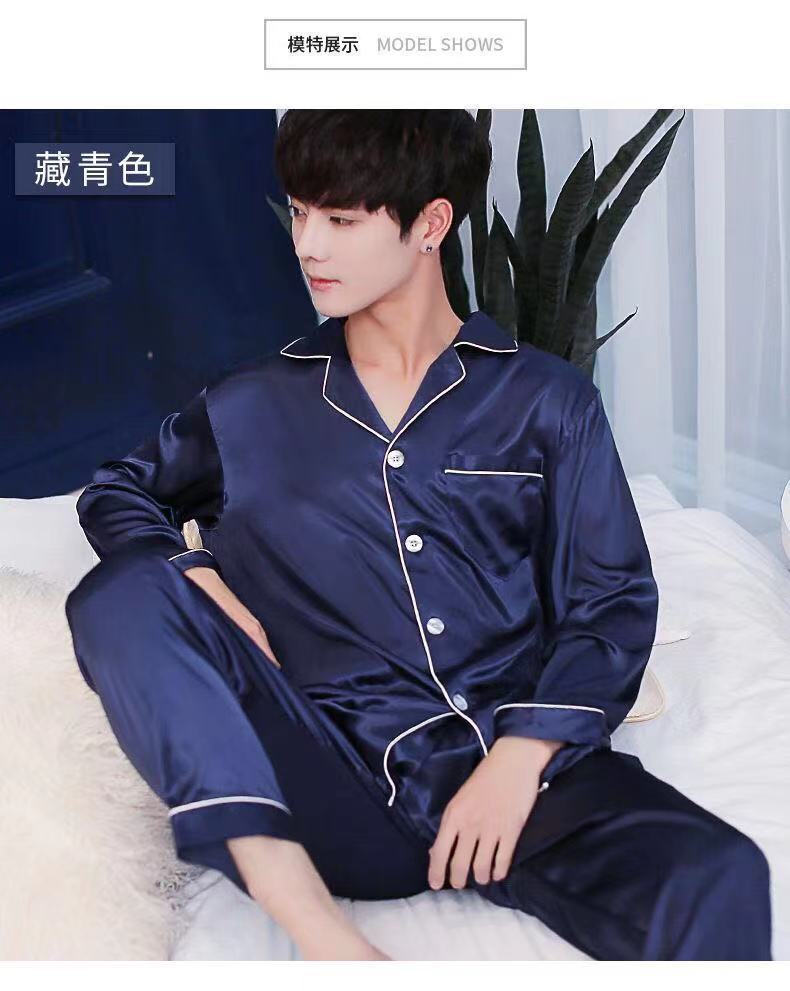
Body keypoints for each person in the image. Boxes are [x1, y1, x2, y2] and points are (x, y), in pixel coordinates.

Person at [64, 110, 772, 961]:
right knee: (117, 594)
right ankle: (326, 938)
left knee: (723, 874)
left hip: (528, 781)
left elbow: (611, 598)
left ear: (431, 224)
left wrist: (522, 755)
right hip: (339, 786)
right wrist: (201, 573)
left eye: (341, 219)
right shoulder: (249, 406)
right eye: (301, 213)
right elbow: (117, 490)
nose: (308, 245)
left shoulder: (547, 402)